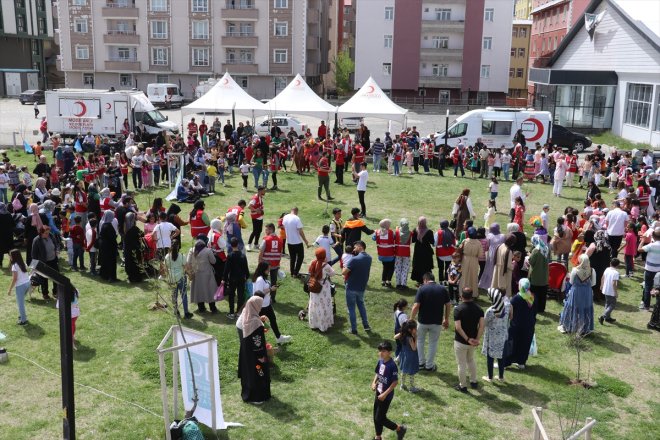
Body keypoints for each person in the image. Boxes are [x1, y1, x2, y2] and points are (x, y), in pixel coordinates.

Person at [410, 272, 451, 372]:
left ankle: (420, 363)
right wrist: (446, 318)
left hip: (423, 321)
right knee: (433, 343)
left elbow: (416, 306)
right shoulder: (443, 289)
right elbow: (448, 304)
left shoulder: (422, 288)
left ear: (425, 280)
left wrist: (411, 319)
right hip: (436, 322)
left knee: (419, 341)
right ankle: (429, 365)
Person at [371, 341, 407, 440]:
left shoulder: (392, 365)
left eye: (383, 351)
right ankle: (378, 437)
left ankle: (399, 429)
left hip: (386, 396)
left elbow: (395, 382)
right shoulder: (380, 361)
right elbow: (377, 373)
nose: (381, 353)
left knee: (380, 418)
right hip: (378, 392)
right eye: (379, 351)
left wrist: (385, 395)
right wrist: (374, 383)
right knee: (375, 416)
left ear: (389, 352)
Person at [237, 295, 271, 404]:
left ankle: (248, 393)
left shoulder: (246, 315)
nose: (261, 308)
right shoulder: (255, 323)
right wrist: (261, 356)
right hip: (256, 356)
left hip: (246, 353)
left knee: (248, 373)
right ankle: (257, 397)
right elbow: (257, 342)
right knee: (259, 373)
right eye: (259, 305)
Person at [453, 287, 485, 393]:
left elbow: (458, 327)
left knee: (461, 364)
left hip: (460, 341)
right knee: (471, 360)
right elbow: (481, 327)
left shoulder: (458, 309)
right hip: (472, 342)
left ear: (461, 296)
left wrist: (467, 339)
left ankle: (463, 386)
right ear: (472, 296)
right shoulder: (479, 309)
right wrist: (476, 339)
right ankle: (474, 381)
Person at [253, 261, 291, 344]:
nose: (269, 271)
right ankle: (256, 342)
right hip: (261, 306)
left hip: (267, 304)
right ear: (263, 270)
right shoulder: (260, 280)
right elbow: (258, 293)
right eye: (268, 269)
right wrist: (271, 289)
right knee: (259, 325)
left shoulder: (263, 278)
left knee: (273, 320)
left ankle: (279, 337)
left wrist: (269, 295)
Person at [502, 278, 537, 369]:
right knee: (524, 343)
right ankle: (521, 362)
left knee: (511, 343)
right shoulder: (532, 297)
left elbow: (509, 310)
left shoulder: (516, 298)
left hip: (516, 325)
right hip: (529, 325)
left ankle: (505, 363)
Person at [558, 255, 595, 335]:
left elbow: (571, 282)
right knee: (585, 309)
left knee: (574, 308)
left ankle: (571, 326)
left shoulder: (575, 270)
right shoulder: (592, 270)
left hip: (577, 291)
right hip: (587, 292)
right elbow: (593, 283)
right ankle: (584, 328)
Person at [342, 240, 372, 335]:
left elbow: (344, 272)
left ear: (360, 246)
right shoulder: (369, 258)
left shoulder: (354, 259)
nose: (354, 249)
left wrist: (344, 265)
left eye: (355, 247)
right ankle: (366, 325)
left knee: (351, 309)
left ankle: (354, 329)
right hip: (361, 287)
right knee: (361, 306)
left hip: (351, 287)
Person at [481, 288, 511, 382]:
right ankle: (501, 377)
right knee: (501, 356)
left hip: (492, 337)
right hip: (503, 335)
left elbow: (484, 324)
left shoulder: (490, 310)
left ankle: (490, 377)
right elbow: (511, 316)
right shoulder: (507, 306)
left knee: (490, 357)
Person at [307, 248, 335, 333]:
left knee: (314, 304)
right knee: (323, 306)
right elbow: (332, 273)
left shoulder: (313, 262)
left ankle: (314, 324)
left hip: (314, 285)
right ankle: (323, 325)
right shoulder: (325, 265)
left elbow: (309, 272)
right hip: (323, 287)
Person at [188, 239, 218, 314]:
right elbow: (213, 261)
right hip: (207, 273)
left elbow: (188, 262)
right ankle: (213, 308)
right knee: (210, 290)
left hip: (196, 274)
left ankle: (201, 308)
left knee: (198, 291)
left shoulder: (191, 250)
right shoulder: (208, 251)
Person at [164, 242, 193, 319]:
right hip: (181, 278)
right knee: (184, 295)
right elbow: (186, 268)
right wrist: (190, 275)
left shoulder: (167, 257)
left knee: (174, 296)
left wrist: (167, 278)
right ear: (178, 248)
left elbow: (165, 268)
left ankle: (176, 311)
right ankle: (186, 313)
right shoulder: (182, 256)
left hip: (172, 278)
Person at [282, 207, 310, 277]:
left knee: (292, 258)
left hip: (289, 241)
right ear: (297, 211)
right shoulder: (297, 218)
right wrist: (306, 241)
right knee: (300, 257)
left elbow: (283, 226)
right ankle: (296, 272)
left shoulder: (285, 217)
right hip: (297, 242)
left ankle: (292, 272)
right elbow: (300, 231)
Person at [7, 249, 30, 325]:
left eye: (10, 255)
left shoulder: (14, 266)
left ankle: (23, 321)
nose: (9, 257)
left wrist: (9, 289)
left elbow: (14, 279)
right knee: (21, 302)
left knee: (20, 304)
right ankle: (22, 316)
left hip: (21, 286)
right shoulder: (23, 262)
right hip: (27, 283)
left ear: (13, 256)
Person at [459, 227, 484, 297]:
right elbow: (480, 254)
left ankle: (462, 292)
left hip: (465, 259)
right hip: (474, 260)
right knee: (473, 277)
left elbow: (460, 248)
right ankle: (473, 293)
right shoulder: (478, 243)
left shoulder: (465, 241)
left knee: (464, 276)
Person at [395, 320, 420, 392]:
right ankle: (412, 388)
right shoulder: (410, 338)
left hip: (404, 355)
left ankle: (402, 385)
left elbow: (395, 337)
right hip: (410, 357)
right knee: (411, 372)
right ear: (410, 330)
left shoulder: (403, 335)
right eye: (415, 328)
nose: (416, 329)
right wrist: (416, 338)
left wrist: (401, 333)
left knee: (404, 371)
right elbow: (414, 348)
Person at [528, 235, 550, 313]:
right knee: (542, 294)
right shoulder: (546, 248)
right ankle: (541, 308)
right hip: (544, 275)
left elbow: (531, 261)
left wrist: (529, 255)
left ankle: (534, 307)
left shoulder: (536, 250)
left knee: (534, 293)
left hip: (536, 275)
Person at [411, 217, 435, 286]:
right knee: (426, 266)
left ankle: (419, 281)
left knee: (418, 265)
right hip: (426, 251)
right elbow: (432, 242)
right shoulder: (429, 231)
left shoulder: (415, 230)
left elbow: (413, 240)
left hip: (418, 250)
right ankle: (427, 281)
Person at [123, 212, 146, 283]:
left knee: (129, 262)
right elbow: (142, 234)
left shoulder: (124, 228)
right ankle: (137, 277)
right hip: (135, 249)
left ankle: (130, 276)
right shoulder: (135, 229)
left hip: (127, 249)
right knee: (135, 263)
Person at [373, 219, 396, 288]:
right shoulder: (391, 232)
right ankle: (388, 281)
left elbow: (373, 238)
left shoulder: (377, 232)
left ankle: (383, 281)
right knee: (391, 268)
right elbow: (395, 237)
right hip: (390, 254)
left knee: (385, 267)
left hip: (382, 254)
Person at [98, 213, 119, 283]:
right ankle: (111, 277)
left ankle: (104, 275)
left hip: (104, 246)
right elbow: (112, 238)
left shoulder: (104, 224)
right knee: (111, 262)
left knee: (105, 261)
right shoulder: (109, 226)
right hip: (110, 247)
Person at [599, 258, 620, 325]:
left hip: (605, 289)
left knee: (607, 303)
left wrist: (601, 286)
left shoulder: (607, 269)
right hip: (611, 291)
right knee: (612, 305)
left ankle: (607, 318)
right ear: (617, 265)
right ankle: (603, 316)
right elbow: (614, 283)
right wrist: (615, 292)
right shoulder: (616, 273)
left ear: (610, 263)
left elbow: (603, 277)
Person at [394, 218, 412, 290]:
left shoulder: (397, 232)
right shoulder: (410, 233)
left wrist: (396, 229)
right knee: (405, 268)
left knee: (398, 268)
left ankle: (398, 284)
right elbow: (410, 242)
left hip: (398, 252)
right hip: (406, 252)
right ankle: (403, 284)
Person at [247, 186, 266, 251]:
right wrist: (256, 210)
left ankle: (256, 244)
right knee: (255, 231)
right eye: (264, 190)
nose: (265, 191)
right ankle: (249, 244)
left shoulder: (260, 197)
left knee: (259, 230)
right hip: (255, 216)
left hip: (260, 216)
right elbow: (249, 206)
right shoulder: (255, 198)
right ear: (260, 191)